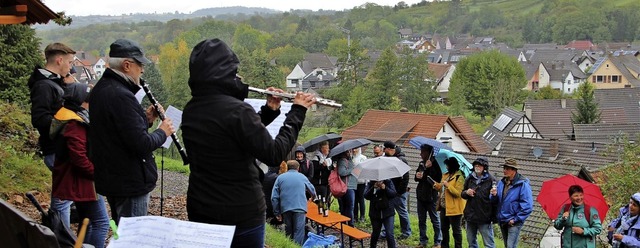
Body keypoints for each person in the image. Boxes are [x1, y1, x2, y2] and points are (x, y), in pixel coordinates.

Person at [181, 38, 316, 247]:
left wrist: (269, 110)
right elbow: (273, 153)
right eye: (234, 72)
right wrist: (297, 112)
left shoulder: (192, 109)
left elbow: (232, 135)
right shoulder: (238, 110)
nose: (239, 76)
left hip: (202, 207)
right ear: (223, 73)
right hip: (240, 211)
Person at [89, 38, 174, 224]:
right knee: (132, 236)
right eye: (140, 65)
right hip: (129, 182)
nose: (142, 70)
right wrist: (163, 131)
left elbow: (120, 132)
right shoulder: (121, 95)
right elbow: (141, 144)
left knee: (121, 231)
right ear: (127, 65)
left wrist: (145, 119)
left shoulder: (102, 89)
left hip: (114, 178)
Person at [51, 83, 109, 248]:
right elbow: (79, 159)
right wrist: (98, 173)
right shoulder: (75, 123)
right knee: (101, 222)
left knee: (88, 222)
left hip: (81, 183)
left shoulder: (71, 118)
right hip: (82, 184)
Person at [28, 42, 77, 229]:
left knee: (63, 196)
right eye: (69, 62)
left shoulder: (53, 82)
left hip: (60, 147)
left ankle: (60, 235)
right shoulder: (43, 86)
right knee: (62, 198)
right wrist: (69, 124)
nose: (71, 67)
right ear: (59, 60)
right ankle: (60, 237)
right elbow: (39, 118)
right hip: (55, 148)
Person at [490, 158, 533, 248]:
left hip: (514, 222)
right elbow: (495, 201)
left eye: (507, 168)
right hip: (503, 220)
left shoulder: (522, 184)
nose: (504, 171)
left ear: (514, 170)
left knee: (511, 246)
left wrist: (516, 219)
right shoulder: (501, 183)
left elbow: (528, 206)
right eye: (504, 168)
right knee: (507, 245)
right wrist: (493, 195)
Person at [271, 160, 316, 245]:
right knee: (298, 232)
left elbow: (274, 197)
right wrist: (312, 198)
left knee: (289, 233)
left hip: (286, 208)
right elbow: (312, 191)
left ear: (287, 167)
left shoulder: (280, 178)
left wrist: (277, 212)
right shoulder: (302, 177)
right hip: (300, 208)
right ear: (298, 168)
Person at [461, 157, 496, 248]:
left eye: (479, 165)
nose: (477, 167)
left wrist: (494, 194)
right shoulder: (470, 178)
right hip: (470, 216)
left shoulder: (491, 180)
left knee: (489, 244)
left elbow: (495, 200)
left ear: (484, 167)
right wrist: (466, 192)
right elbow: (462, 194)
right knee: (471, 243)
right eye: (475, 165)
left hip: (484, 217)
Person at [415, 145, 443, 248]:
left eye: (422, 152)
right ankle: (423, 240)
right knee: (421, 219)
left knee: (434, 219)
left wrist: (430, 168)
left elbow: (438, 179)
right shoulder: (422, 163)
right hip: (420, 195)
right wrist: (417, 175)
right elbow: (417, 178)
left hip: (431, 196)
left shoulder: (435, 164)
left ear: (428, 152)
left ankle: (438, 241)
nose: (420, 154)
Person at [434, 158, 466, 248]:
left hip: (455, 209)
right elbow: (441, 187)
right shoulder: (446, 175)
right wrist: (436, 185)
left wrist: (448, 186)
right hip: (444, 207)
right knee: (444, 228)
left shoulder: (460, 177)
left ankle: (458, 246)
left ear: (452, 166)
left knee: (456, 231)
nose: (447, 167)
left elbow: (458, 193)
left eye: (448, 165)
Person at [383, 141, 411, 239]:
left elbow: (406, 177)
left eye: (385, 149)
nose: (383, 151)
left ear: (390, 149)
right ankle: (386, 231)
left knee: (402, 212)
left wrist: (399, 192)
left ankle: (406, 232)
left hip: (398, 192)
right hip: (390, 191)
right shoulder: (390, 158)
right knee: (388, 211)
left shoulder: (400, 160)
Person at [364, 179, 397, 248]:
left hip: (388, 212)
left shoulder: (388, 181)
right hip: (375, 213)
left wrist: (385, 188)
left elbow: (393, 194)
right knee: (376, 233)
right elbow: (366, 196)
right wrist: (373, 188)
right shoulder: (371, 183)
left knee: (389, 234)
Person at [336, 149, 357, 226]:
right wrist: (353, 169)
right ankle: (350, 225)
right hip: (347, 186)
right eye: (348, 151)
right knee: (349, 207)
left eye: (350, 151)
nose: (350, 152)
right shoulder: (342, 161)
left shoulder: (350, 160)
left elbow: (354, 173)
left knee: (346, 207)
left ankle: (345, 224)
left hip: (352, 185)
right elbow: (341, 172)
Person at [352, 148, 367, 223]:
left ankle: (362, 215)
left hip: (361, 181)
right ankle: (355, 216)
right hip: (353, 182)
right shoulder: (351, 158)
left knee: (361, 199)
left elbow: (364, 169)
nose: (354, 151)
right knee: (354, 200)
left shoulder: (363, 158)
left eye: (356, 149)